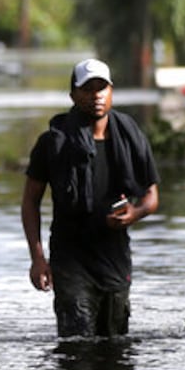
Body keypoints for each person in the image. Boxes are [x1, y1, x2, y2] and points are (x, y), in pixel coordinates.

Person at [21, 58, 161, 337]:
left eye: (101, 88)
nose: (96, 95)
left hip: (114, 259)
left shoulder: (130, 136)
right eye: (87, 89)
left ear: (111, 92)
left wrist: (134, 213)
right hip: (70, 259)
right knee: (77, 345)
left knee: (115, 344)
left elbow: (151, 196)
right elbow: (30, 202)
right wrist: (38, 259)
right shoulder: (53, 144)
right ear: (73, 95)